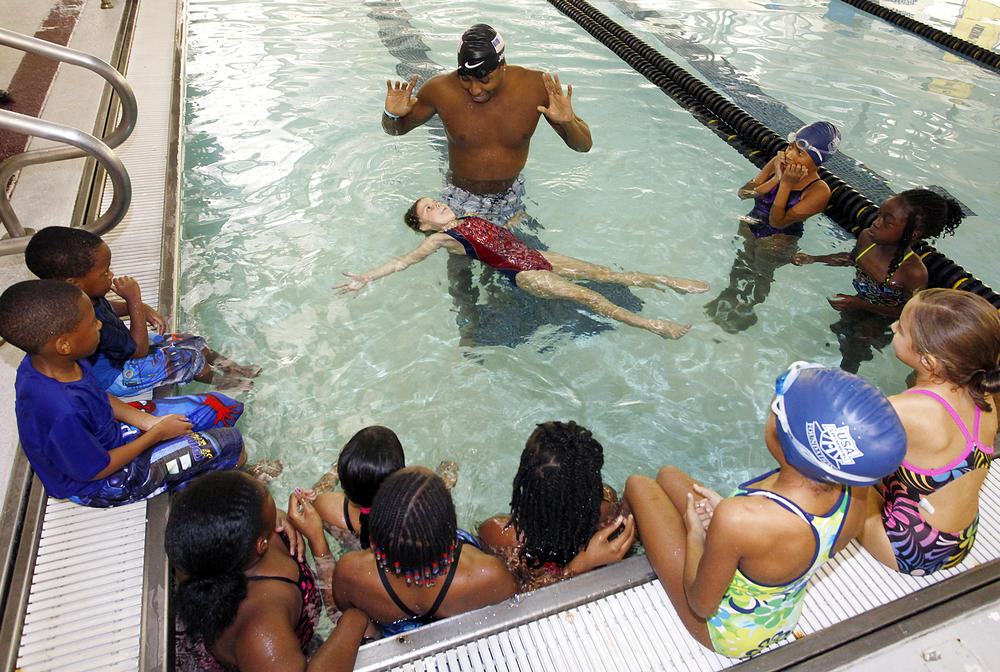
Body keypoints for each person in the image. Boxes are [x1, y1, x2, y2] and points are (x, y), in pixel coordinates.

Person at [624, 362, 906, 659]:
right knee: (668, 475)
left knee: (638, 484)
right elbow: (787, 540)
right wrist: (733, 524)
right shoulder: (855, 494)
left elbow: (701, 605)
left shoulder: (738, 519)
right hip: (781, 613)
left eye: (776, 405)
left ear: (780, 433)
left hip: (728, 633)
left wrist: (697, 535)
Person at [0, 280, 245, 507]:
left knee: (220, 407)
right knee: (231, 442)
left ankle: (194, 470)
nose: (99, 324)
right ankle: (235, 488)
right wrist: (156, 434)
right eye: (91, 322)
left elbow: (97, 396)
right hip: (102, 482)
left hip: (111, 437)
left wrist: (149, 422)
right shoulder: (59, 410)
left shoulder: (57, 362)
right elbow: (96, 469)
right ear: (64, 344)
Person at [334, 198, 708, 339]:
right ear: (425, 225)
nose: (436, 207)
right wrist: (366, 277)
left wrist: (515, 218)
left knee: (606, 274)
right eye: (427, 210)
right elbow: (403, 261)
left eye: (434, 202)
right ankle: (653, 326)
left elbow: (497, 235)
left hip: (536, 257)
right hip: (525, 275)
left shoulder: (466, 216)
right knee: (590, 297)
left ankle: (666, 281)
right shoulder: (439, 239)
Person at [382, 24, 591, 224]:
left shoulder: (536, 87)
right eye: (466, 79)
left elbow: (583, 146)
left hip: (511, 195)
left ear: (503, 66)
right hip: (458, 197)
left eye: (484, 80)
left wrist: (568, 121)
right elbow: (395, 130)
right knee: (459, 260)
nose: (475, 90)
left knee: (528, 259)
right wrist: (390, 114)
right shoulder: (440, 90)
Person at [166, 471, 369, 672]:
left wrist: (280, 518)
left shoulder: (202, 551)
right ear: (261, 543)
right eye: (266, 495)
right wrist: (355, 618)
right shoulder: (260, 630)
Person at [858, 289, 1000, 575]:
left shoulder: (907, 410)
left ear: (930, 362)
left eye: (901, 328)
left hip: (914, 549)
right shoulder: (984, 393)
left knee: (835, 486)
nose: (893, 326)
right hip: (961, 537)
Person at [24, 226, 260, 395]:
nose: (111, 275)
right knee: (190, 358)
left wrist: (135, 308)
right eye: (104, 272)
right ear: (74, 282)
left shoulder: (80, 298)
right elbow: (138, 350)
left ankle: (234, 368)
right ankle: (223, 382)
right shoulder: (85, 322)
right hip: (119, 374)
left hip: (123, 351)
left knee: (191, 340)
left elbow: (108, 309)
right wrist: (135, 301)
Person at [793, 188, 964, 372]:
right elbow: (850, 258)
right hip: (858, 303)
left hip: (882, 320)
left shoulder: (913, 271)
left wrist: (863, 305)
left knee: (856, 346)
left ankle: (848, 374)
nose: (876, 223)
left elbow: (909, 313)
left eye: (887, 222)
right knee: (842, 332)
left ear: (913, 234)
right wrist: (814, 259)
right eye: (878, 214)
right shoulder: (867, 238)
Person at [333, 467, 517, 636]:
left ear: (376, 529)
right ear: (450, 530)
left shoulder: (349, 572)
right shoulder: (488, 574)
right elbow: (510, 614)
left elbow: (344, 611)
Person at [705, 121, 840, 332]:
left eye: (801, 154)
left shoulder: (819, 191)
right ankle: (727, 300)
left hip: (777, 241)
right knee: (739, 268)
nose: (790, 155)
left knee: (761, 276)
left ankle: (746, 311)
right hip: (749, 227)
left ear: (817, 162)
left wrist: (785, 183)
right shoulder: (778, 165)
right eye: (790, 147)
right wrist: (775, 177)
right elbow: (744, 194)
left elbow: (777, 222)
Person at [478, 421, 636, 592]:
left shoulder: (500, 534)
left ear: (525, 480)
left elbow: (516, 594)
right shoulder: (607, 509)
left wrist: (579, 566)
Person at [302, 426, 407, 553]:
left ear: (344, 484)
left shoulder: (326, 507)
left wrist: (335, 471)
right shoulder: (417, 515)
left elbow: (314, 497)